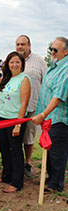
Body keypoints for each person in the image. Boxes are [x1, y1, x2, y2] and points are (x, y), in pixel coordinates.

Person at [0, 51, 31, 193]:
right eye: (12, 62)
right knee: (4, 148)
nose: (14, 64)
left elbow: (24, 104)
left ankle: (17, 182)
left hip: (15, 120)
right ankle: (6, 176)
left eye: (17, 62)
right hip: (1, 118)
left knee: (15, 150)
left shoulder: (24, 79)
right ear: (7, 64)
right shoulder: (6, 78)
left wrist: (18, 124)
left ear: (22, 64)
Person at [33, 37, 68, 193]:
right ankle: (50, 178)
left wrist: (43, 113)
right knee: (50, 149)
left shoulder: (66, 69)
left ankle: (55, 185)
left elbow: (59, 96)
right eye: (51, 49)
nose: (52, 52)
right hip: (49, 117)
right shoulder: (55, 66)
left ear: (66, 51)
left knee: (57, 152)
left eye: (55, 50)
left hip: (59, 118)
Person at [16, 35, 48, 177]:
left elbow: (46, 82)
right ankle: (15, 164)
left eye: (23, 44)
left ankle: (27, 164)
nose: (20, 47)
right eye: (17, 44)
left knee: (28, 137)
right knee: (15, 138)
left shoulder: (39, 61)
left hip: (32, 106)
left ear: (29, 45)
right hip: (15, 107)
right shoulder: (13, 60)